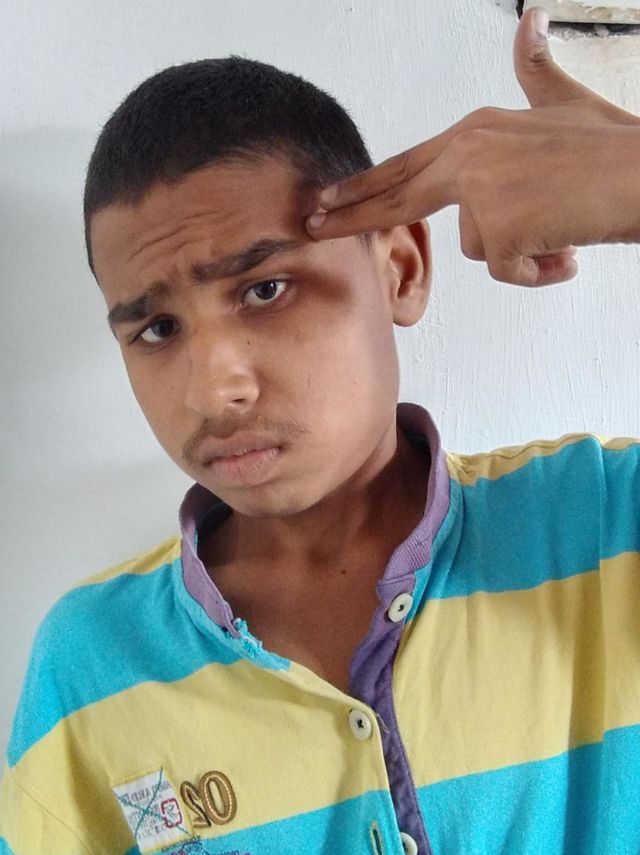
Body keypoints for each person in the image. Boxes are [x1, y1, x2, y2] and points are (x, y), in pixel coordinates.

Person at [1, 7, 639, 853]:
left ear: (401, 269)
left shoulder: (605, 524)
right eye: (156, 329)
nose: (215, 389)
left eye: (264, 289)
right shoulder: (92, 665)